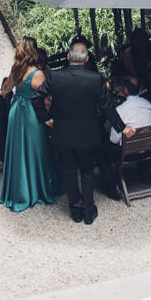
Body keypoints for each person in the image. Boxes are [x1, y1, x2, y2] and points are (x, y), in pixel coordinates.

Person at [47, 39, 129, 224]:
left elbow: (37, 97)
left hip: (63, 134)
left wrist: (46, 118)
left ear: (68, 57)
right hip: (87, 134)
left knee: (69, 171)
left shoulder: (54, 77)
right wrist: (122, 128)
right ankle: (89, 212)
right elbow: (107, 106)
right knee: (87, 171)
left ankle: (75, 211)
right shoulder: (95, 79)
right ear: (86, 60)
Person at [0, 38, 60, 211]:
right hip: (32, 113)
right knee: (39, 149)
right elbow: (45, 101)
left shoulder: (16, 69)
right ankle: (38, 189)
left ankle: (20, 190)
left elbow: (6, 88)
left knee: (19, 150)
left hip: (16, 112)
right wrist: (52, 116)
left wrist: (1, 93)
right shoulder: (37, 74)